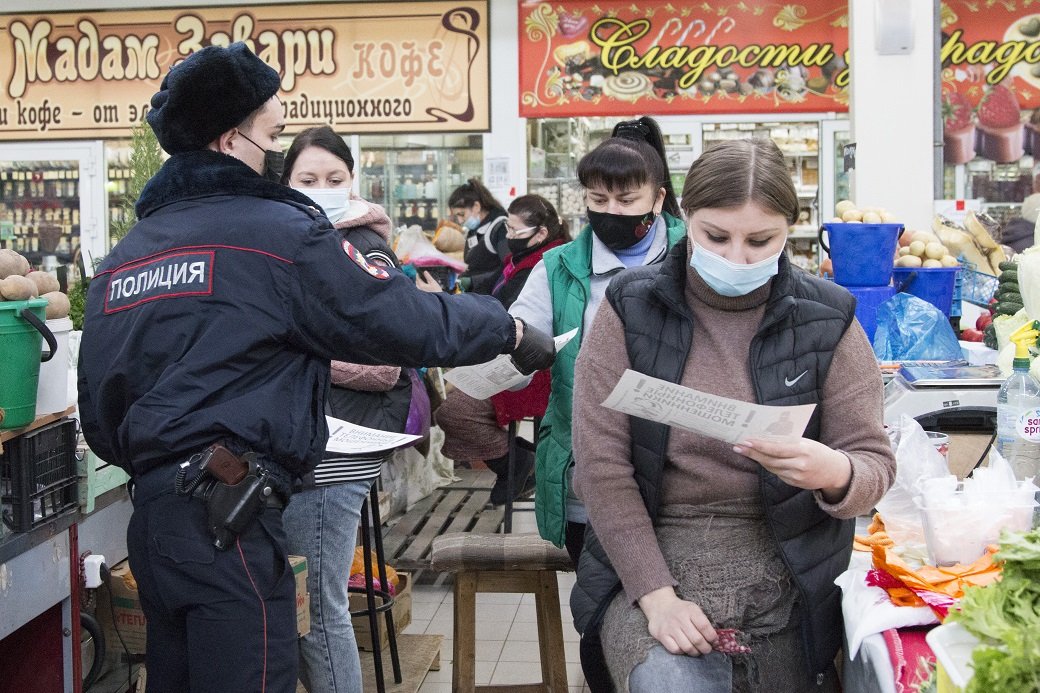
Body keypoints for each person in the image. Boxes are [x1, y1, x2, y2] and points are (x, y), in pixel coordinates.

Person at [76, 43, 555, 693]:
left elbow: (100, 417)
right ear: (228, 138)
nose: (278, 153)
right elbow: (397, 321)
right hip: (229, 506)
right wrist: (509, 329)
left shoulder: (126, 256)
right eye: (273, 135)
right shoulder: (272, 232)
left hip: (154, 523)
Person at [569, 138, 897, 692]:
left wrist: (833, 473)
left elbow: (874, 467)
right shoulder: (630, 309)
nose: (737, 258)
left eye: (760, 240)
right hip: (649, 558)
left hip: (788, 570)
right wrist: (657, 597)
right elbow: (601, 470)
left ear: (789, 232)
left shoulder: (828, 321)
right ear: (683, 218)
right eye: (715, 237)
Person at [508, 116, 686, 692]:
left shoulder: (694, 253)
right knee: (603, 610)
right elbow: (520, 340)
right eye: (597, 198)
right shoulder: (558, 267)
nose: (611, 209)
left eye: (627, 198)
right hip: (592, 470)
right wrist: (505, 351)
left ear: (658, 198)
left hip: (687, 470)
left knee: (680, 613)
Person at [279, 125, 418, 692]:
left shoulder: (364, 248)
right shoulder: (292, 242)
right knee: (305, 601)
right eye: (308, 179)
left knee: (318, 606)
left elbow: (384, 365)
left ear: (353, 181)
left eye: (334, 179)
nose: (323, 189)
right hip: (308, 439)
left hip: (341, 444)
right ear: (284, 181)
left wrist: (286, 358)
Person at [434, 194, 568, 504]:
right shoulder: (521, 261)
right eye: (506, 229)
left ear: (541, 234)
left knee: (454, 412)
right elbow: (496, 290)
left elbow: (509, 316)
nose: (507, 238)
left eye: (514, 232)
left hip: (532, 368)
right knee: (448, 403)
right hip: (510, 354)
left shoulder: (541, 267)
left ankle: (520, 462)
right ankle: (520, 461)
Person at [446, 177, 510, 294]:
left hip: (492, 298)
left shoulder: (499, 228)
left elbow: (508, 269)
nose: (460, 221)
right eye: (457, 216)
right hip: (476, 297)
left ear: (476, 207)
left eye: (462, 214)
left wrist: (472, 281)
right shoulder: (474, 230)